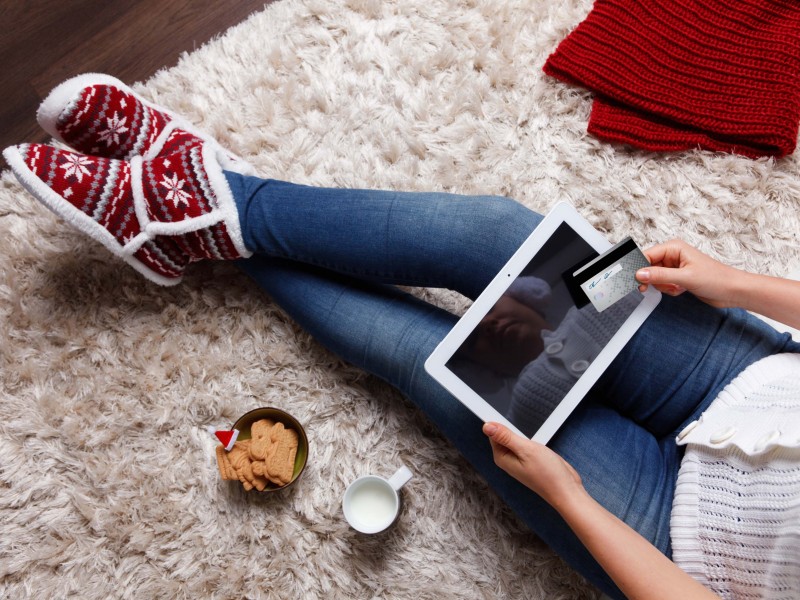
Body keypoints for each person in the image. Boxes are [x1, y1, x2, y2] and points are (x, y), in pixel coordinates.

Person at [5, 74, 799, 600]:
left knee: (431, 362)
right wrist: (736, 285)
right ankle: (214, 198)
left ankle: (196, 194)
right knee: (501, 235)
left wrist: (569, 502)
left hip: (672, 537)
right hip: (748, 376)